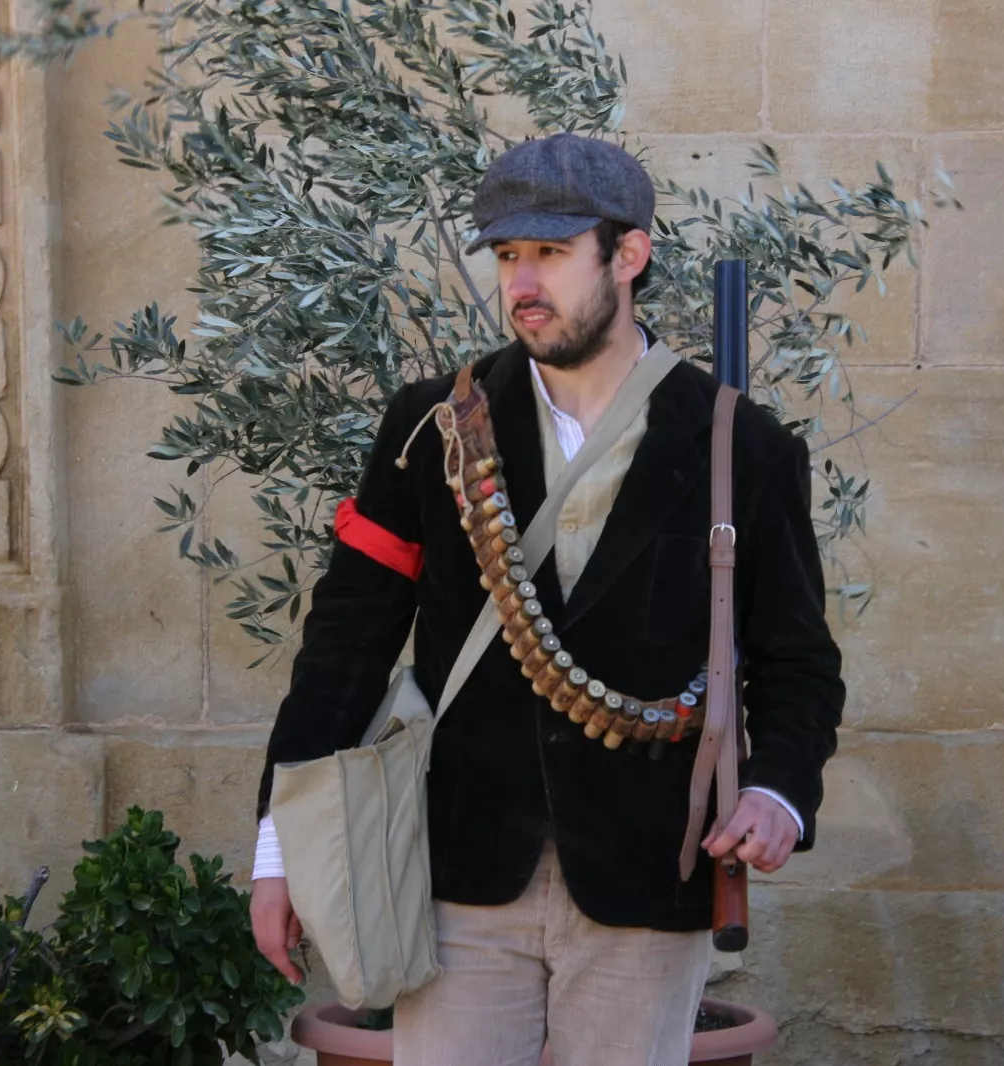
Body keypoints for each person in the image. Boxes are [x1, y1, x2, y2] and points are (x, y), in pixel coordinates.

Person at [249, 133, 844, 1066]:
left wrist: (778, 791)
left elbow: (796, 663)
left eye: (552, 253)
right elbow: (345, 647)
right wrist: (277, 853)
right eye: (508, 255)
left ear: (630, 254)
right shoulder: (430, 430)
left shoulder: (743, 446)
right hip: (458, 872)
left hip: (651, 872)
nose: (522, 281)